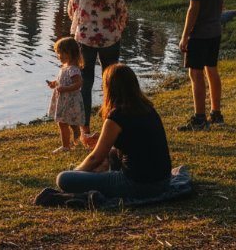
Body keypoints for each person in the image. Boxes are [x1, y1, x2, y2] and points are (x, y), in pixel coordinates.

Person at [55, 64, 172, 199]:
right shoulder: (147, 108)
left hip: (138, 185)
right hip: (163, 181)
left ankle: (87, 175)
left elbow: (95, 158)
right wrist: (102, 138)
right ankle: (97, 173)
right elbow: (135, 141)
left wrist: (76, 173)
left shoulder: (117, 116)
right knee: (111, 154)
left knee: (63, 179)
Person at [67, 0, 127, 137]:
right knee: (111, 81)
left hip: (85, 38)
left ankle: (85, 127)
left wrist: (83, 25)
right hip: (110, 37)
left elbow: (72, 9)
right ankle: (110, 122)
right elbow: (122, 12)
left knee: (85, 81)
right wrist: (117, 28)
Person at [178, 0, 225, 131]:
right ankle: (216, 112)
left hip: (199, 33)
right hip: (215, 30)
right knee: (211, 69)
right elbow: (221, 2)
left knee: (195, 73)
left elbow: (193, 9)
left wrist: (185, 35)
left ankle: (199, 117)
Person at [47, 37, 86, 153]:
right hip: (64, 99)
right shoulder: (65, 67)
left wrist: (65, 89)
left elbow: (78, 84)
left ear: (72, 53)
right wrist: (55, 83)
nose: (59, 55)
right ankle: (77, 132)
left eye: (62, 53)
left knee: (62, 123)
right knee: (68, 120)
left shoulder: (73, 69)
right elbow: (63, 80)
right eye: (58, 53)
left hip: (69, 100)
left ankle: (65, 146)